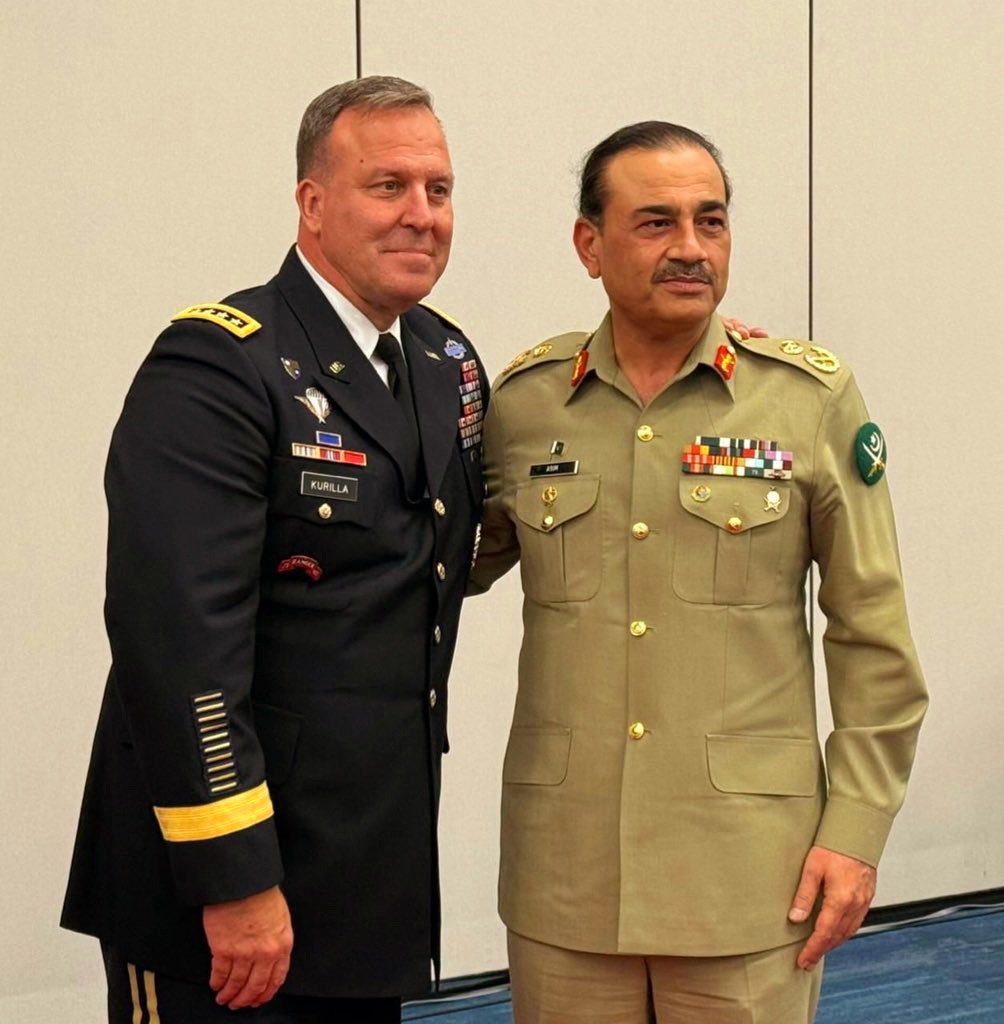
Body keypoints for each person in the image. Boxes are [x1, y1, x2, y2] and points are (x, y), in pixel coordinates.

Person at [470, 121, 928, 1023]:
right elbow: (437, 572)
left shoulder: (805, 401)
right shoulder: (526, 405)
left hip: (750, 875)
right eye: (656, 222)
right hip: (567, 874)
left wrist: (856, 830)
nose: (690, 247)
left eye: (709, 221)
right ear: (589, 245)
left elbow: (873, 636)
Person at [61, 76, 487, 1023]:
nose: (421, 215)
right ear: (313, 203)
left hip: (364, 876)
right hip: (222, 891)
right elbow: (179, 644)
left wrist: (691, 347)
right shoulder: (219, 365)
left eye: (439, 189)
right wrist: (234, 876)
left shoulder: (445, 362)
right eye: (387, 186)